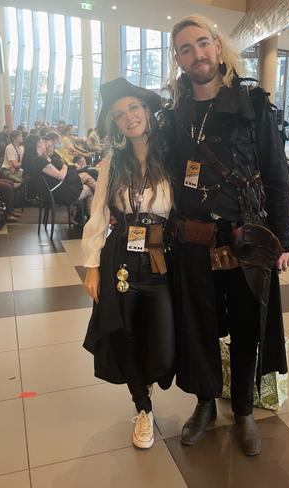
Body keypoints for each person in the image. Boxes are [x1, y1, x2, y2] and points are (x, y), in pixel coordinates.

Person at [162, 15, 289, 456]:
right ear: (178, 60)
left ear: (217, 47)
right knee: (197, 325)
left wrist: (284, 241)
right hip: (193, 241)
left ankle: (242, 410)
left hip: (246, 240)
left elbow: (276, 177)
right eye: (185, 48)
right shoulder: (174, 115)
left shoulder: (253, 104)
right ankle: (203, 403)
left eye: (202, 43)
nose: (197, 54)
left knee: (245, 328)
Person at [82, 78, 174, 450]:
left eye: (134, 108)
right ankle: (142, 406)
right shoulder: (111, 162)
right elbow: (98, 213)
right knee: (123, 333)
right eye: (120, 114)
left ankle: (147, 380)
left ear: (147, 110)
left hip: (162, 257)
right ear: (115, 123)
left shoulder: (171, 155)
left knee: (164, 344)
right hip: (120, 257)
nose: (129, 117)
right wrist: (91, 265)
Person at [22, 134, 83, 206]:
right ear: (38, 144)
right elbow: (60, 176)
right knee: (88, 188)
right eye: (42, 142)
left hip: (47, 193)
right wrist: (65, 166)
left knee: (87, 184)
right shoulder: (39, 161)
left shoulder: (32, 159)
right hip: (56, 193)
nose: (44, 144)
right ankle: (87, 215)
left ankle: (87, 215)